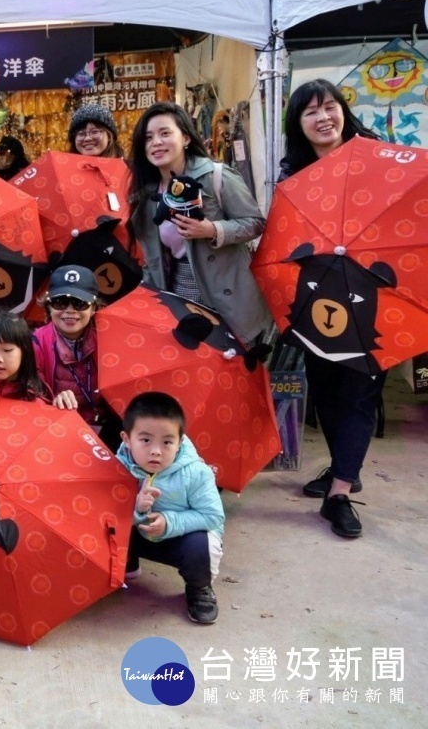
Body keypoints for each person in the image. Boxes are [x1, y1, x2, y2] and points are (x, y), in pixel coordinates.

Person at [280, 79, 382, 539]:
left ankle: (339, 494)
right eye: (311, 112)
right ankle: (345, 465)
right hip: (317, 296)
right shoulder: (293, 178)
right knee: (324, 389)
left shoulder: (373, 162)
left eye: (330, 107)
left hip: (370, 294)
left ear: (343, 111)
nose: (323, 117)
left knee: (361, 389)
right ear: (298, 125)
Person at [126, 101, 270, 345]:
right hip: (179, 293)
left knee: (230, 368)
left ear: (185, 138)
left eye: (165, 133)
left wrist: (213, 230)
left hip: (227, 296)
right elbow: (153, 259)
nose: (156, 143)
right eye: (148, 138)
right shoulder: (147, 194)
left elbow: (255, 222)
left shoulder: (216, 175)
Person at [117, 391, 224, 625]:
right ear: (126, 438)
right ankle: (126, 563)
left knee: (202, 545)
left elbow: (213, 516)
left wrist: (169, 522)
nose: (156, 450)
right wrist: (135, 509)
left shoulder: (196, 472)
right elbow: (107, 510)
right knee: (104, 522)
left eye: (167, 442)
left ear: (181, 440)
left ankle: (199, 587)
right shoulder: (117, 467)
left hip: (181, 539)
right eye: (145, 440)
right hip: (140, 534)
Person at [32, 265, 121, 447]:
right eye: (60, 302)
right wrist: (52, 405)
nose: (70, 310)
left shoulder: (109, 340)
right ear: (49, 306)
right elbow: (28, 395)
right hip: (55, 430)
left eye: (80, 303)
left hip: (105, 429)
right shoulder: (34, 344)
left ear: (94, 308)